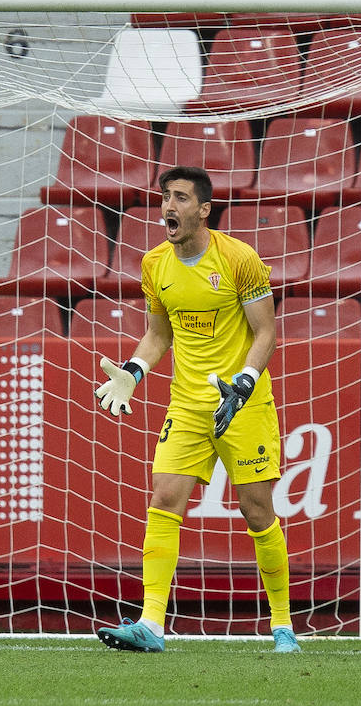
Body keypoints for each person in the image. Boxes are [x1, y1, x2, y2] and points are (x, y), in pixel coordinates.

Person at [92, 166, 299, 654]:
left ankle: (284, 624)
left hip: (241, 401)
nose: (169, 206)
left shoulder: (239, 259)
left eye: (181, 198)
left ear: (203, 209)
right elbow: (159, 334)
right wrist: (134, 370)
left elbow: (266, 332)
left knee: (256, 510)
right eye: (165, 196)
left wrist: (245, 382)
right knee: (164, 498)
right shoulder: (154, 265)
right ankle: (150, 624)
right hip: (186, 402)